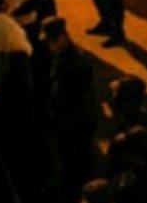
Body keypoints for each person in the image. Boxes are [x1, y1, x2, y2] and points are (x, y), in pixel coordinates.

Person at [42, 16, 97, 200]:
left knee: (75, 163)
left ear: (62, 37)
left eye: (52, 41)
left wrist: (63, 123)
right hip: (70, 122)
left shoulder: (74, 64)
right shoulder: (63, 57)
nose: (49, 46)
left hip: (74, 124)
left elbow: (81, 102)